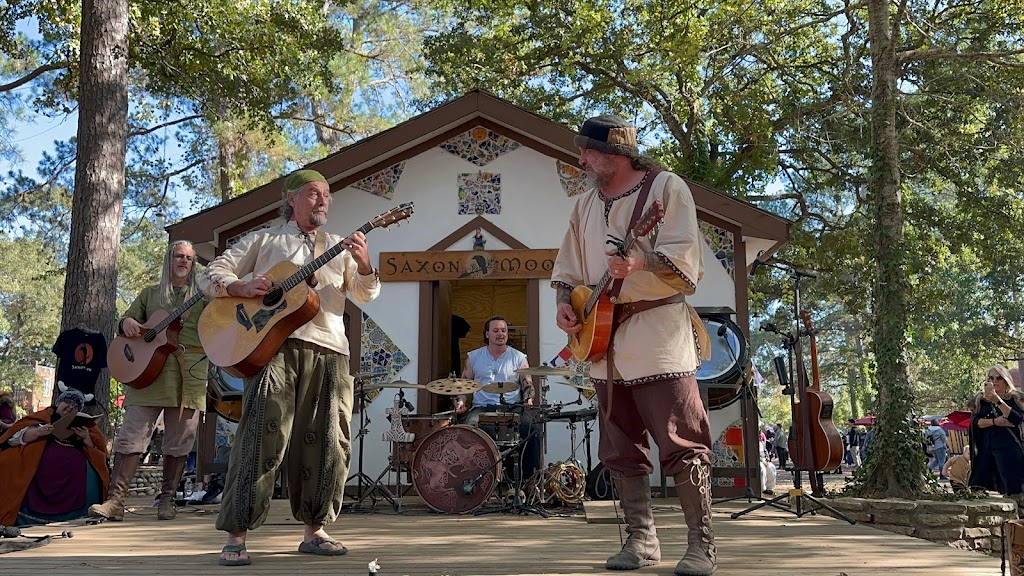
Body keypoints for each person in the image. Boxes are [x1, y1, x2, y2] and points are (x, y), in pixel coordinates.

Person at [551, 115, 715, 575]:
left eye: (588, 151)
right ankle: (641, 540)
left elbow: (686, 262)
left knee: (681, 439)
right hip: (602, 340)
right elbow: (566, 268)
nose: (580, 159)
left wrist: (643, 260)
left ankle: (702, 546)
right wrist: (566, 303)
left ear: (616, 154)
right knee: (619, 443)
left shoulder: (666, 189)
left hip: (657, 332)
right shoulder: (585, 204)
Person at [199, 169, 381, 566]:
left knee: (328, 439)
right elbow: (212, 273)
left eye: (327, 194)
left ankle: (314, 530)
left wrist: (365, 265)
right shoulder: (263, 240)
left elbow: (365, 295)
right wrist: (240, 287)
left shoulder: (338, 246)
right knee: (261, 435)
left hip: (330, 347)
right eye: (314, 193)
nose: (323, 200)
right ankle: (237, 534)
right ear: (291, 200)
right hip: (272, 347)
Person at [89, 240, 209, 523]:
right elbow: (127, 319)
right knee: (131, 437)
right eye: (179, 256)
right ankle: (116, 501)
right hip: (144, 375)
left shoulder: (204, 296)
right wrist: (126, 323)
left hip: (187, 376)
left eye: (189, 258)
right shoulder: (150, 294)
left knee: (179, 441)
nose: (184, 262)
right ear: (169, 260)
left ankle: (167, 499)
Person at [0, 384, 109, 525]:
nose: (70, 407)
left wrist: (85, 437)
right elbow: (14, 438)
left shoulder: (87, 427)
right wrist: (38, 432)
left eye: (75, 406)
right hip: (40, 462)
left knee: (87, 468)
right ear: (59, 403)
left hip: (75, 469)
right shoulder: (41, 417)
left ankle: (77, 515)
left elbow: (98, 453)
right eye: (68, 402)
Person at [454, 316, 541, 480]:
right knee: (467, 430)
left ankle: (530, 480)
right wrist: (461, 401)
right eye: (495, 331)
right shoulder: (474, 357)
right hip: (482, 407)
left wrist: (529, 399)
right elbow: (464, 383)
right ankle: (469, 481)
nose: (500, 334)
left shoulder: (519, 357)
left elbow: (527, 383)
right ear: (487, 334)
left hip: (511, 407)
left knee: (531, 428)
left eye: (503, 330)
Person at [968, 364, 1024, 506]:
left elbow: (1016, 419)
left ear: (1006, 380)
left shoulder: (1015, 399)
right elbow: (975, 423)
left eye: (999, 378)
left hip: (1008, 448)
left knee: (1014, 490)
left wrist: (998, 401)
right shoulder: (980, 401)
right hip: (986, 448)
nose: (995, 381)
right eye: (991, 378)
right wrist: (995, 421)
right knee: (977, 486)